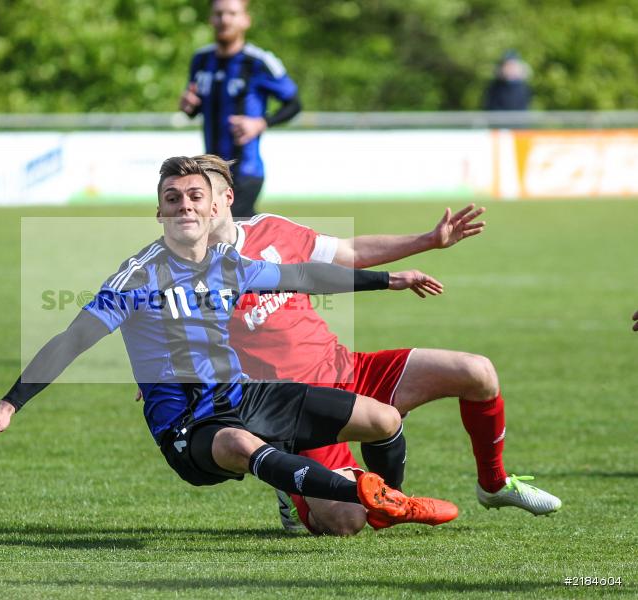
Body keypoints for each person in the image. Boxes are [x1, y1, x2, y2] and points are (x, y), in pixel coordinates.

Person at [0, 156, 458, 529]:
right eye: (172, 198)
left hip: (243, 397)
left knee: (382, 418)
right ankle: (377, 497)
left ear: (214, 205)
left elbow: (304, 275)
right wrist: (10, 403)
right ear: (159, 212)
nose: (185, 205)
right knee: (240, 444)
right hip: (188, 424)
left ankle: (385, 503)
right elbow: (73, 340)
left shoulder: (227, 264)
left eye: (194, 196)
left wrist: (388, 280)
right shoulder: (137, 276)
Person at [193, 154, 561, 535]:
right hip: (298, 408)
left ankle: (494, 484)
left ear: (226, 198)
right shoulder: (183, 275)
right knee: (347, 522)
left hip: (346, 369)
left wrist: (429, 240)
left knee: (477, 372)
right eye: (182, 200)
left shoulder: (272, 230)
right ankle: (292, 490)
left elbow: (349, 252)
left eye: (201, 197)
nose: (191, 208)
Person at [179, 0, 300, 218]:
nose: (225, 19)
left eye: (232, 14)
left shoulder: (258, 62)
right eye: (219, 14)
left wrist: (261, 123)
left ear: (246, 20)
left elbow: (294, 104)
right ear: (211, 19)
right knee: (229, 229)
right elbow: (195, 108)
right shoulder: (201, 60)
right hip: (210, 170)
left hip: (245, 170)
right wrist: (189, 106)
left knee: (220, 227)